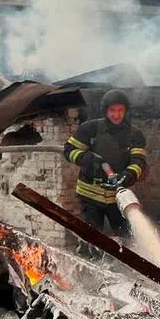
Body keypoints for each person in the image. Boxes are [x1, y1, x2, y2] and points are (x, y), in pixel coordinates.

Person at [64, 89, 147, 241]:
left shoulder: (135, 134)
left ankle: (128, 263)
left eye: (120, 110)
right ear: (105, 111)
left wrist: (129, 174)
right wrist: (87, 158)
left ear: (126, 111)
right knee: (92, 239)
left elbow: (138, 160)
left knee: (128, 237)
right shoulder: (90, 129)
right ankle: (89, 260)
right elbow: (69, 150)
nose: (116, 115)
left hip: (118, 196)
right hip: (89, 194)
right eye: (112, 110)